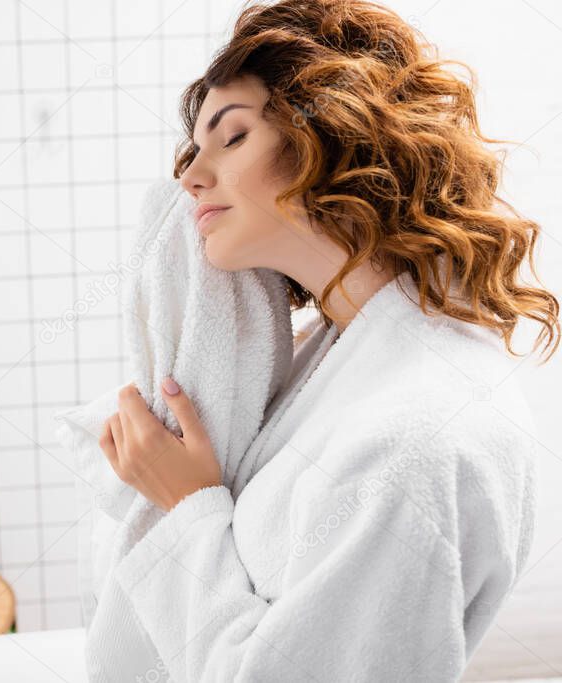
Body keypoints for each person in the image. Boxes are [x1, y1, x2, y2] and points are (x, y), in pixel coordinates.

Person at [97, 0, 559, 680]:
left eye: (231, 137)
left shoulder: (414, 440)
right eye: (194, 147)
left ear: (334, 136)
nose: (191, 175)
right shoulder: (340, 355)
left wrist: (186, 508)